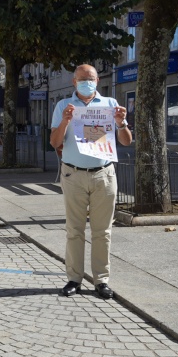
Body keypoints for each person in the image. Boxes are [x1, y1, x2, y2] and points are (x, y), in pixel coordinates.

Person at [50, 64, 132, 300]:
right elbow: (54, 142)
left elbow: (126, 141)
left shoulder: (109, 104)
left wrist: (121, 123)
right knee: (74, 230)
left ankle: (101, 280)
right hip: (73, 174)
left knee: (102, 231)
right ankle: (74, 278)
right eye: (82, 79)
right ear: (74, 82)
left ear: (97, 80)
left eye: (92, 79)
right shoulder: (63, 106)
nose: (88, 82)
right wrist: (65, 120)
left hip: (103, 174)